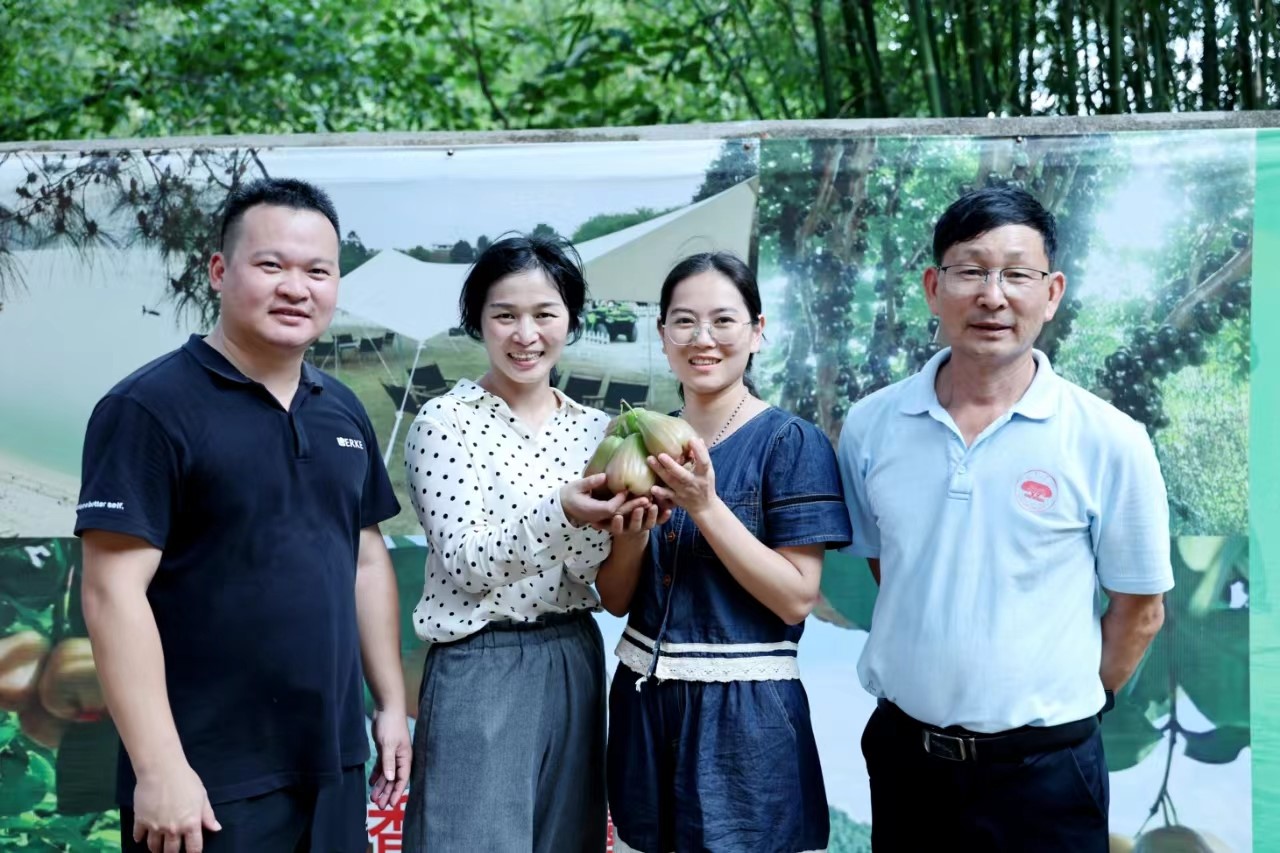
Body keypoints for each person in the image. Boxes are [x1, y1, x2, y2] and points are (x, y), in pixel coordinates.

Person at [75, 178, 411, 853]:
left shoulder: (341, 409)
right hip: (207, 779)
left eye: (318, 270)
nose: (297, 287)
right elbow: (111, 592)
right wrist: (160, 766)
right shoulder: (149, 408)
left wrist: (392, 705)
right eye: (271, 265)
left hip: (333, 763)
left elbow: (365, 557)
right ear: (220, 272)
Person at [837, 185, 1172, 851]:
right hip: (908, 762)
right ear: (934, 287)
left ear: (1051, 293)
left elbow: (1140, 608)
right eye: (971, 270)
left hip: (1047, 776)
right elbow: (891, 566)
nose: (993, 295)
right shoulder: (872, 424)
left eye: (1018, 273)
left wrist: (1067, 703)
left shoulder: (1108, 437)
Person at [401, 235, 656, 852]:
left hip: (574, 652)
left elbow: (607, 584)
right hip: (479, 660)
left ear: (569, 319)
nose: (526, 334)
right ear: (477, 322)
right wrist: (560, 510)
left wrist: (637, 526)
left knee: (565, 840)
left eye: (545, 314)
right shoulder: (444, 422)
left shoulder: (598, 430)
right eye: (505, 315)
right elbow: (466, 564)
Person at [598, 251, 852, 853]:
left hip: (746, 720)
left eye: (723, 321)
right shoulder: (634, 441)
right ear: (662, 335)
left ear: (757, 332)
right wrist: (633, 531)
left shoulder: (791, 442)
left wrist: (705, 506)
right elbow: (614, 599)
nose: (702, 339)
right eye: (683, 322)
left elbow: (796, 598)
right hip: (642, 705)